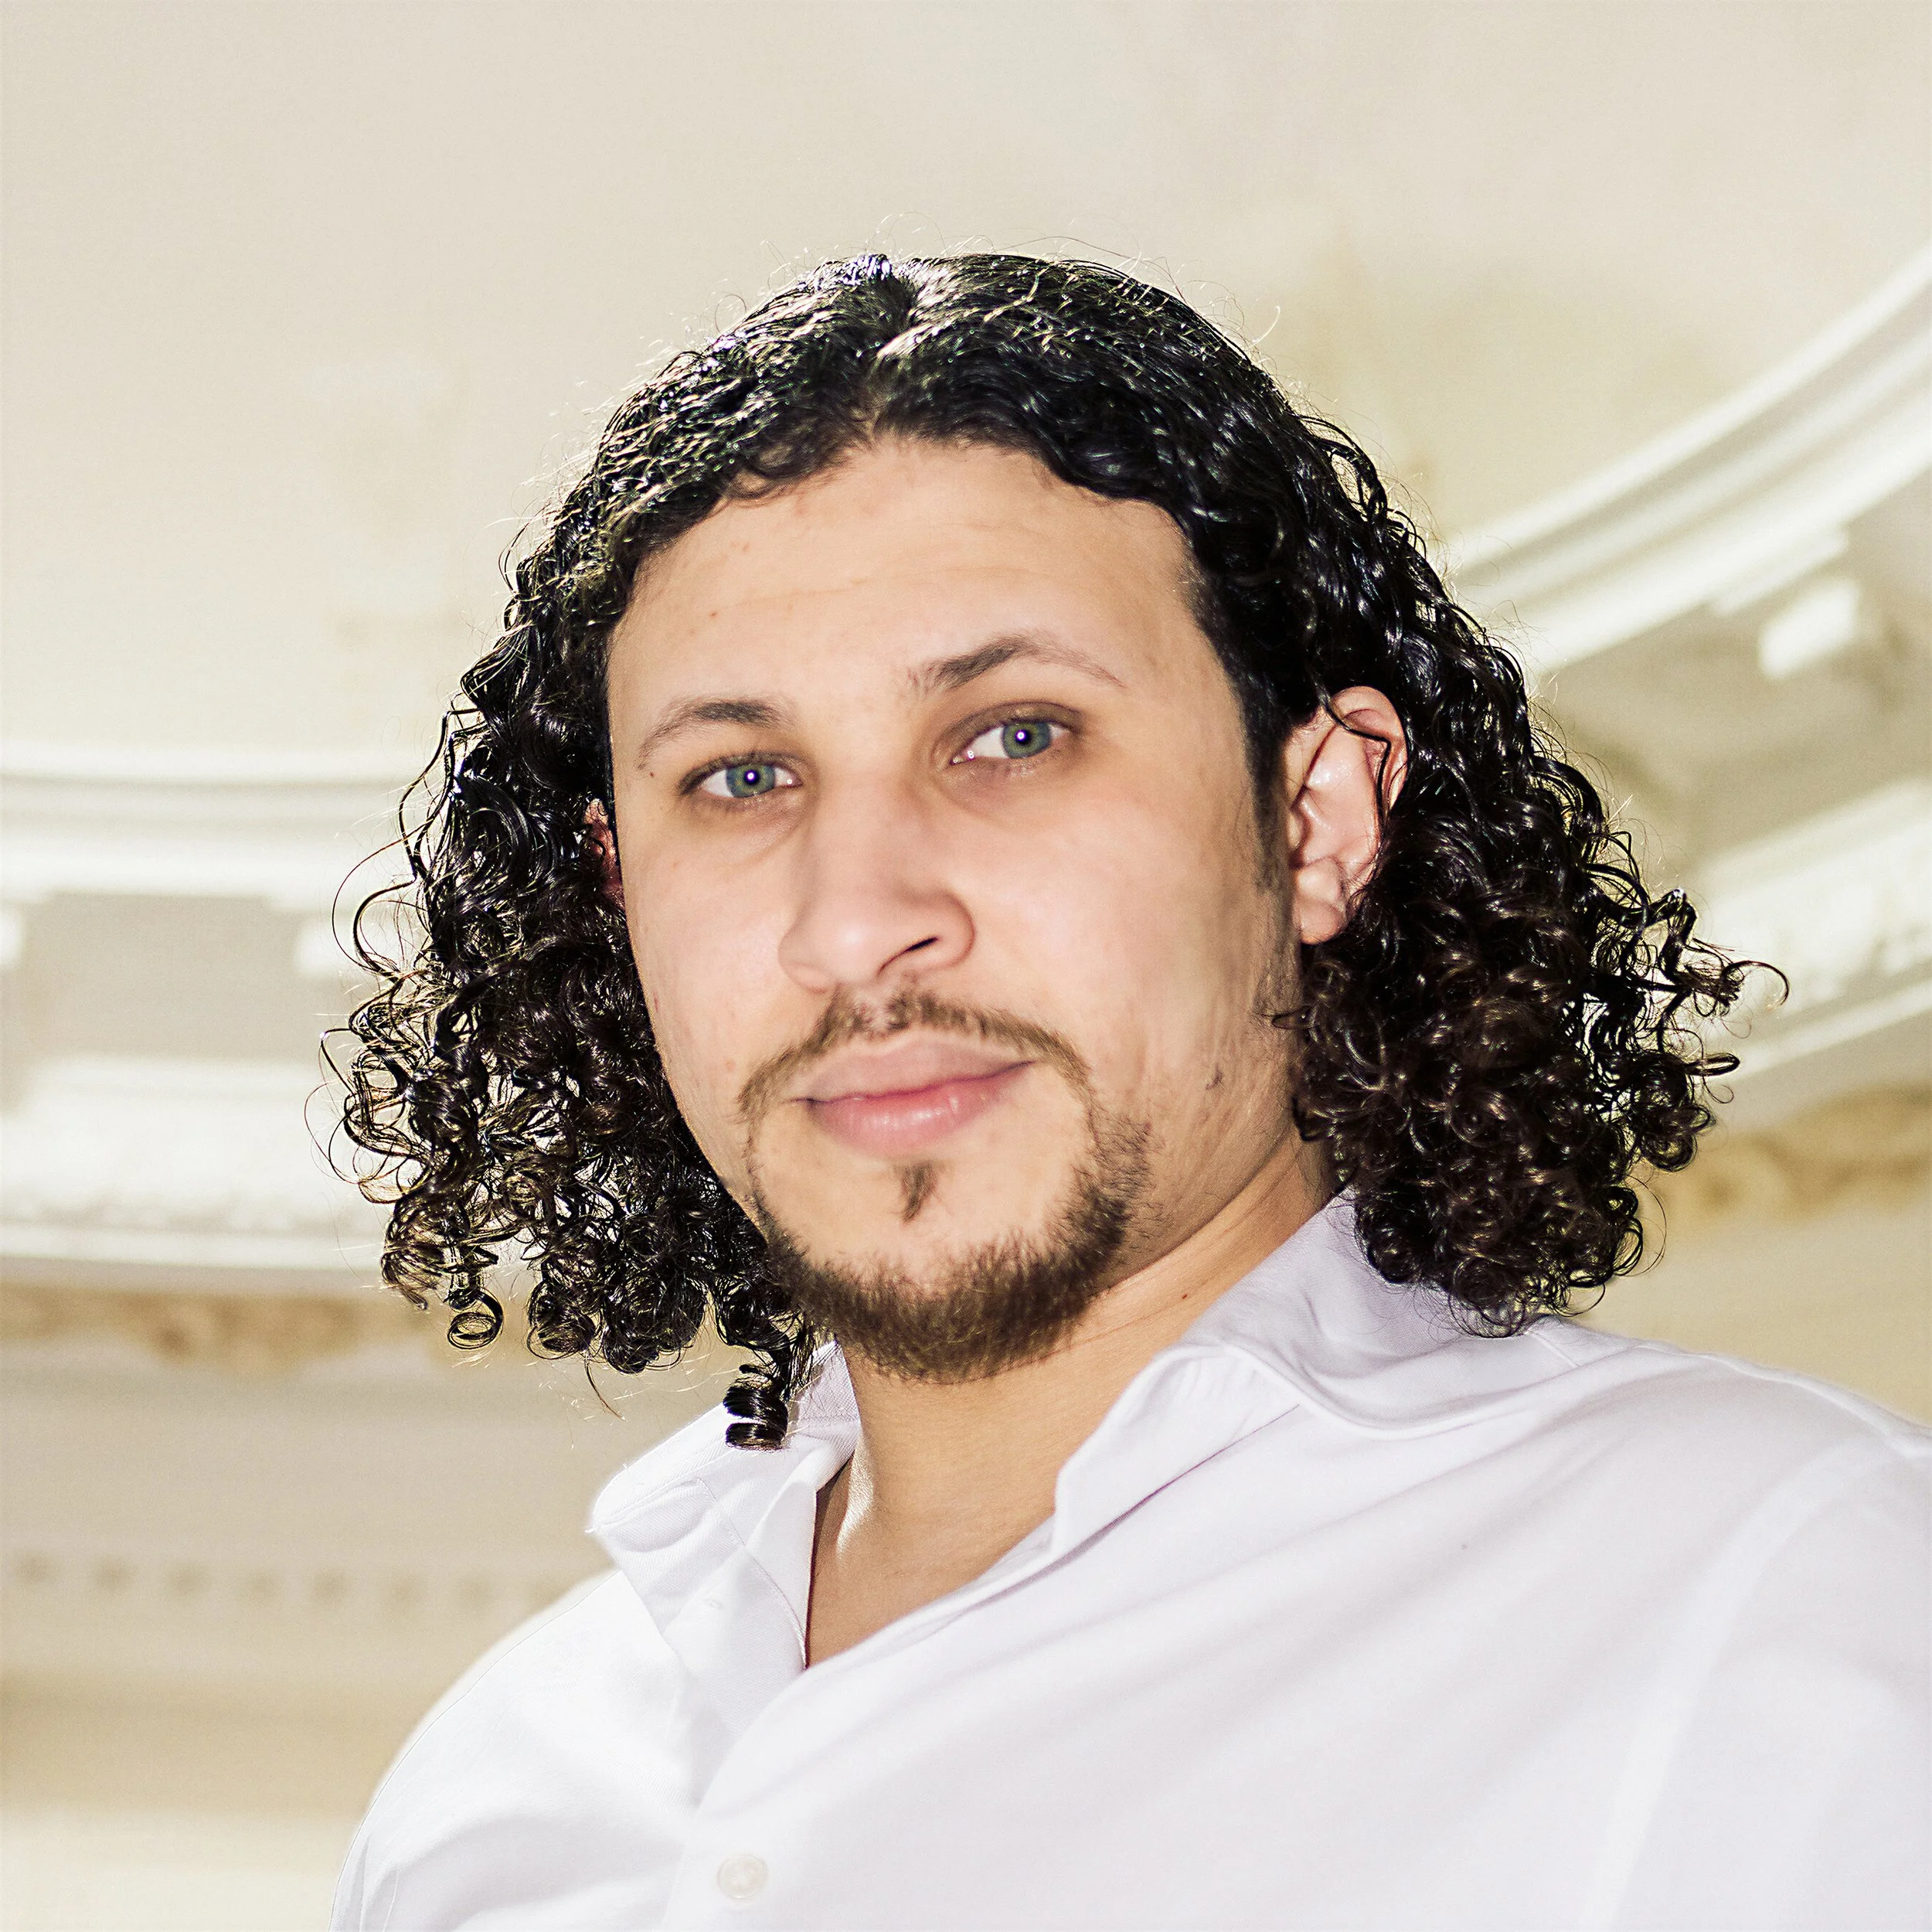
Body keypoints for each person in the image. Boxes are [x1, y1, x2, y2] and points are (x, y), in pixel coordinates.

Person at [332, 253, 1928, 1931]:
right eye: (738, 778)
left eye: (1012, 734)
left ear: (1311, 820)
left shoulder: (1784, 1592)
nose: (856, 914)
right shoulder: (489, 1782)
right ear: (617, 893)